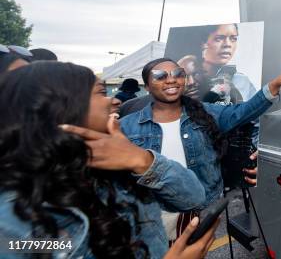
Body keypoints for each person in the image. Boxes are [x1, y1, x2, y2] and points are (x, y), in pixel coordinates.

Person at [0, 61, 219, 259]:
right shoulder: (10, 224)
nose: (114, 100)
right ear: (62, 107)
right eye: (101, 92)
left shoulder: (117, 167)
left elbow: (194, 198)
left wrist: (142, 160)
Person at [120, 58, 281, 241]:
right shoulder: (126, 126)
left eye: (177, 74)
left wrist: (274, 85)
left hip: (201, 210)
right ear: (147, 87)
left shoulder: (206, 113)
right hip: (154, 214)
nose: (171, 80)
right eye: (160, 76)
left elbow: (244, 111)